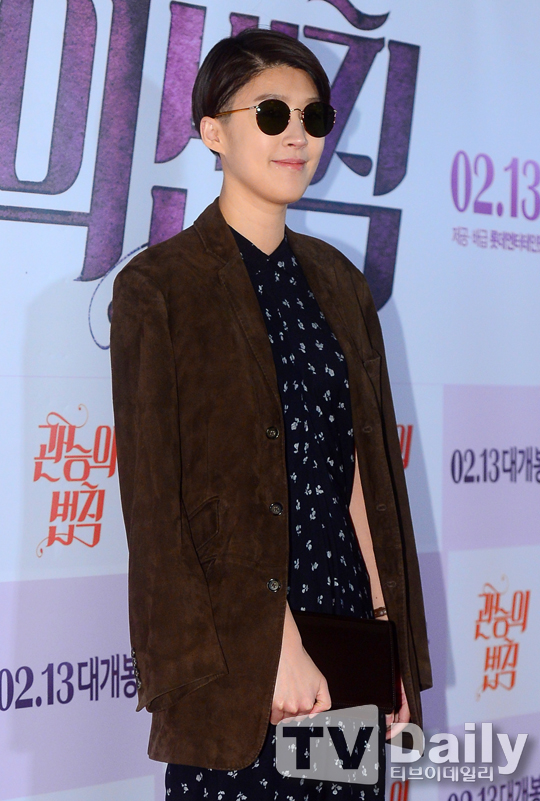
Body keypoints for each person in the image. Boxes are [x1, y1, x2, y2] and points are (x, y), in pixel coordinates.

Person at [110, 27, 432, 801]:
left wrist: (384, 633)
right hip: (233, 648)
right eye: (272, 114)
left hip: (345, 627)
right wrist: (275, 643)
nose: (297, 136)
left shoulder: (339, 283)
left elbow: (361, 475)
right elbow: (157, 508)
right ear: (213, 132)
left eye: (313, 117)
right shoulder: (160, 288)